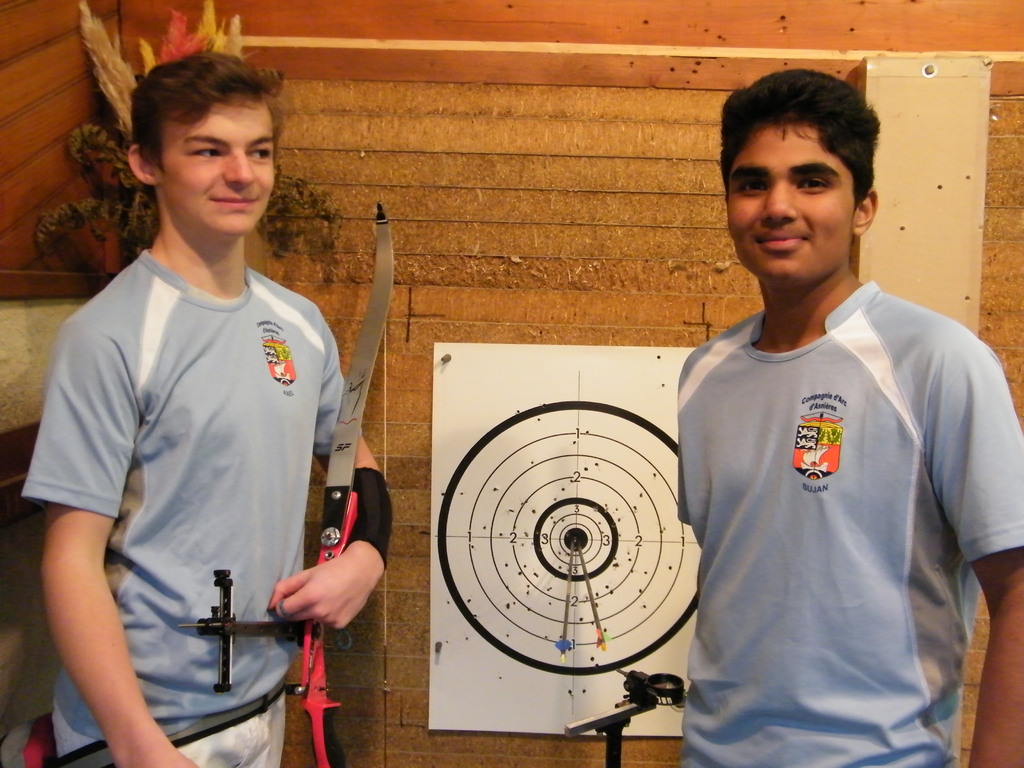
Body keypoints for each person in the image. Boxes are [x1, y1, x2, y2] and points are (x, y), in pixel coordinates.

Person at [22, 52, 391, 768]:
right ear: (145, 163)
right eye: (208, 151)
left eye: (259, 151)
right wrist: (136, 744)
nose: (242, 174)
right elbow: (69, 560)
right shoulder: (108, 336)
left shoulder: (299, 321)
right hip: (146, 731)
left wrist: (367, 553)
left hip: (261, 705)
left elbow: (351, 454)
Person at [676, 68, 1024, 767]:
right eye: (752, 183)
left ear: (863, 207)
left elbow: (1018, 588)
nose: (778, 206)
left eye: (812, 181)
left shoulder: (938, 359)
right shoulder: (703, 375)